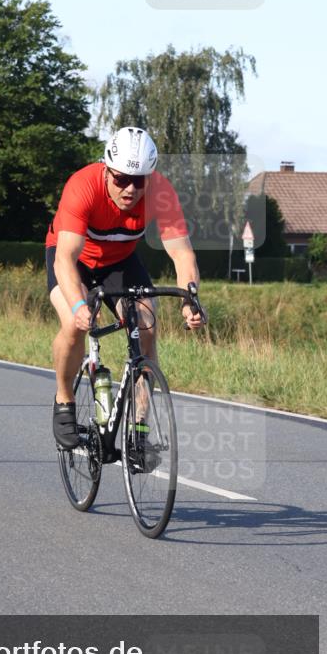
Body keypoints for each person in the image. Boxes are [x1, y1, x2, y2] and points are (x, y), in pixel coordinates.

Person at [46, 126, 206, 454]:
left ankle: (138, 431)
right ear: (106, 170)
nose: (130, 189)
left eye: (139, 181)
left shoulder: (160, 192)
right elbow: (65, 259)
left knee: (146, 325)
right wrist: (78, 306)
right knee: (74, 326)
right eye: (121, 179)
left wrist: (190, 300)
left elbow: (182, 254)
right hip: (74, 260)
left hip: (119, 262)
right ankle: (64, 398)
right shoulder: (83, 186)